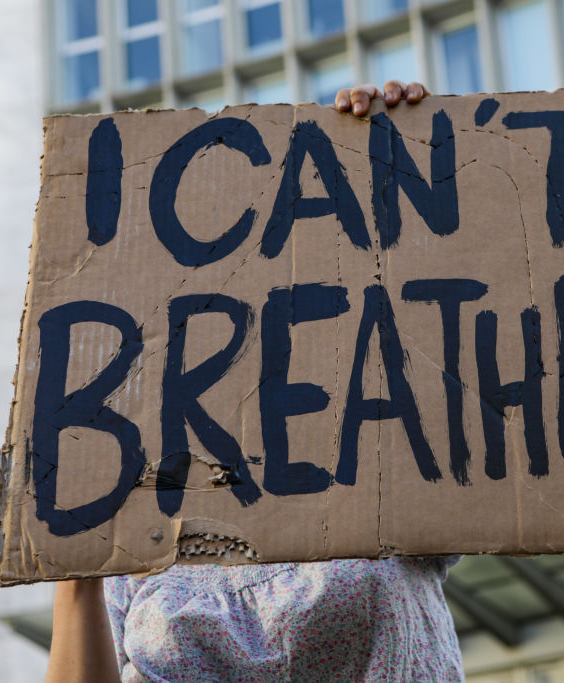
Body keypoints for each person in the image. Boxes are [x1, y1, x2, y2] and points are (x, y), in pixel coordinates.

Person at [44, 80, 466, 683]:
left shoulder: (379, 420)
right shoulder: (137, 496)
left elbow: (466, 328)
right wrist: (73, 568)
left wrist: (396, 144)